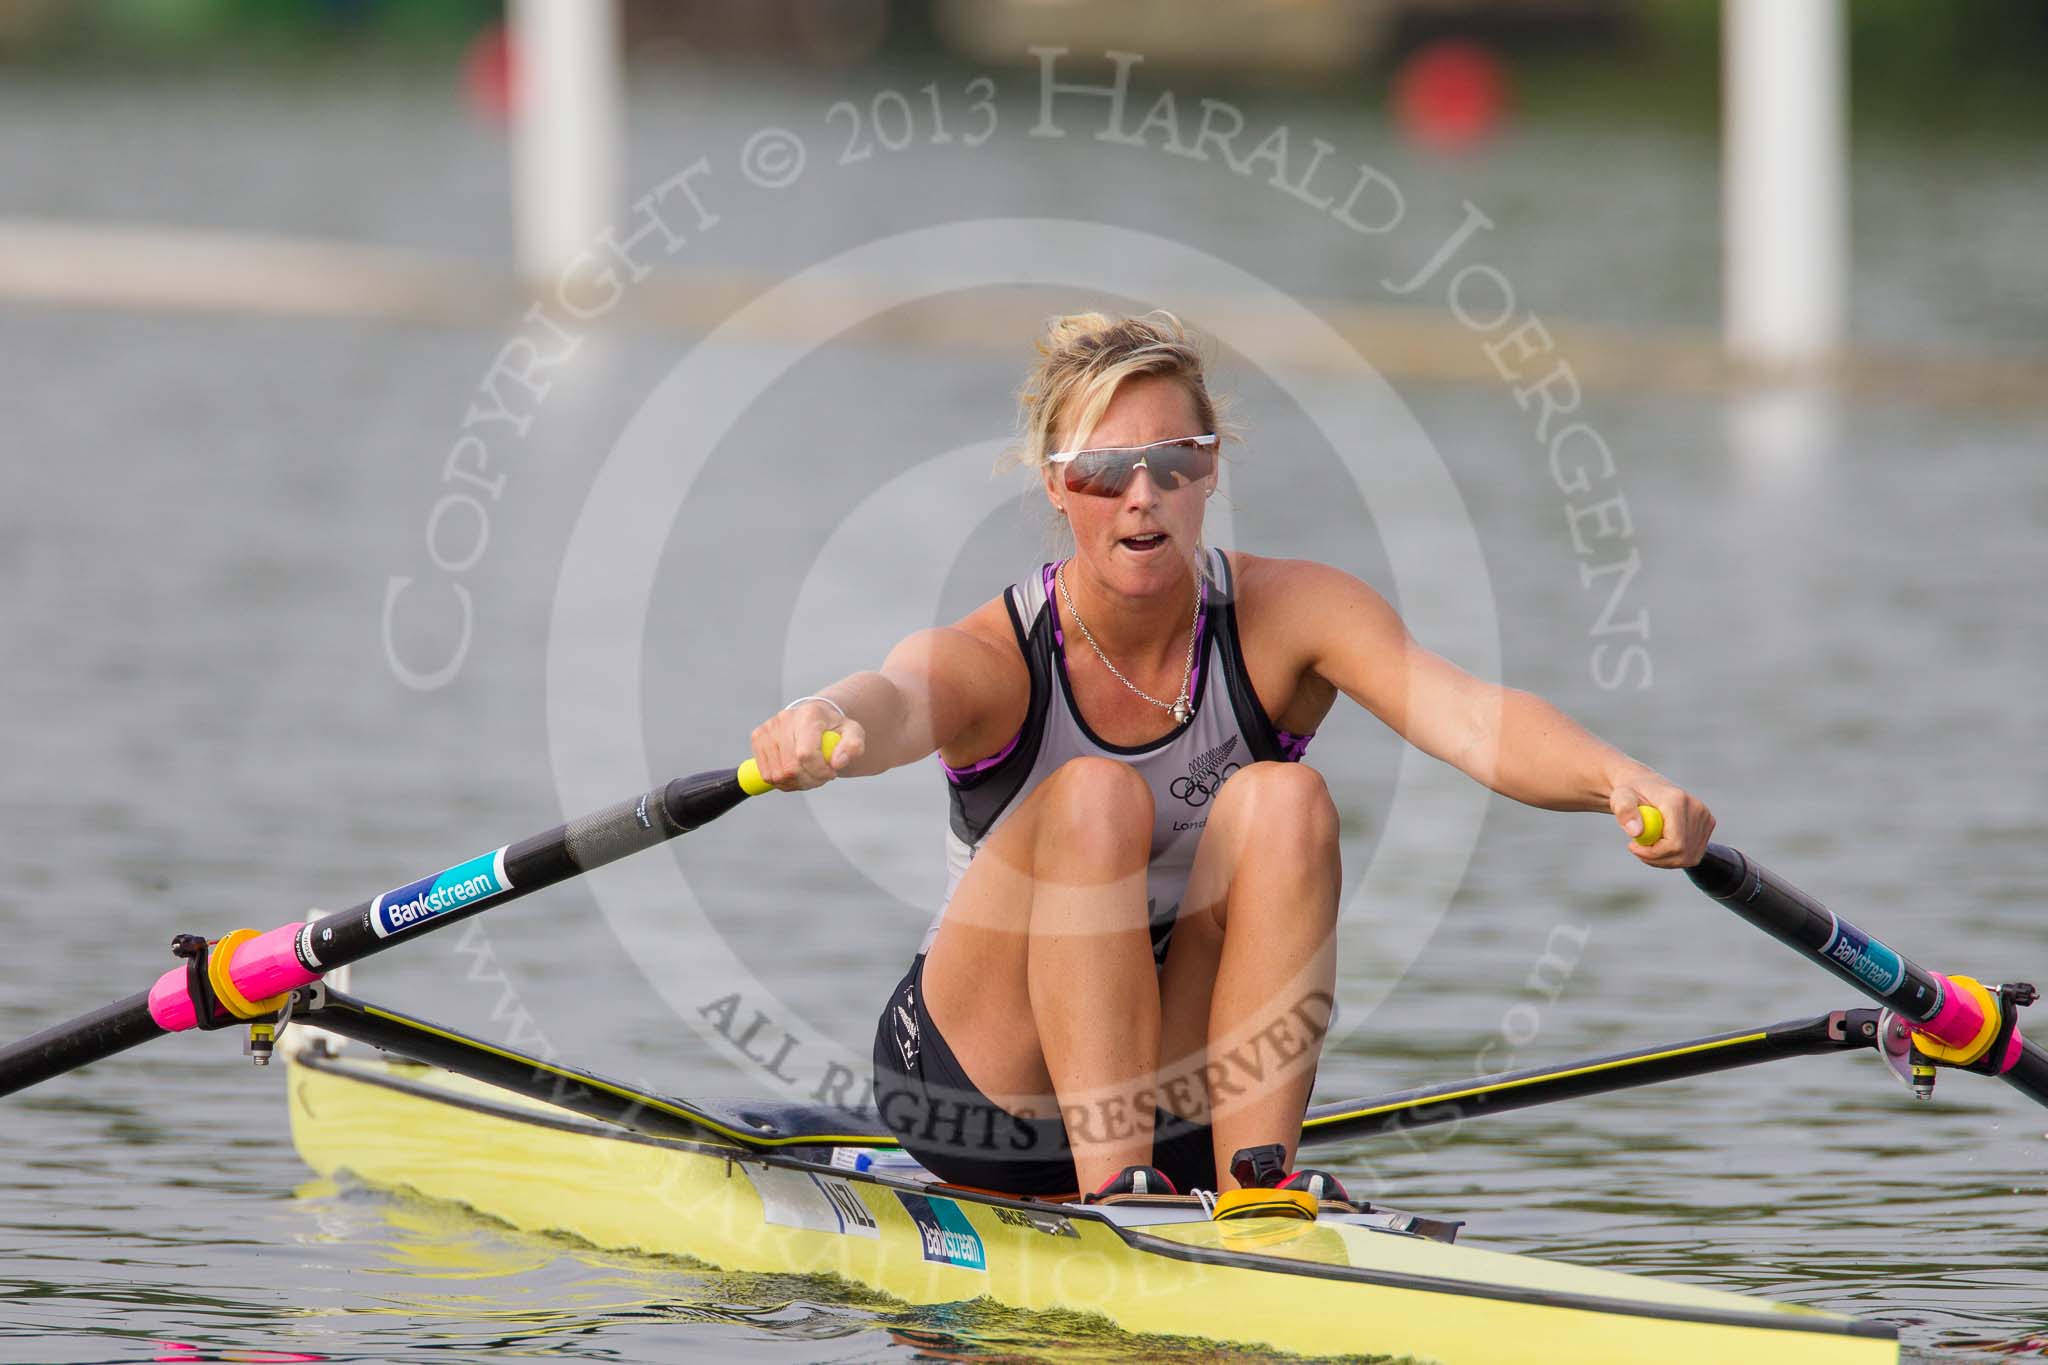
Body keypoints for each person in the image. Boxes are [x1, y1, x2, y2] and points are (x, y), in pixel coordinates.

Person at [747, 311, 1712, 1200]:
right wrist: (825, 715)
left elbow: (1471, 717)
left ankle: (1255, 1187)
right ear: (1056, 481)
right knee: (1095, 798)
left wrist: (1616, 780)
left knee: (1286, 800)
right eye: (1105, 468)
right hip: (978, 1085)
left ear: (1210, 473)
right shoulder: (999, 654)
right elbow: (898, 696)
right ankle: (1117, 1198)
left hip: (1178, 1078)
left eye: (1175, 460)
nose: (1141, 495)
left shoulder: (1290, 616)